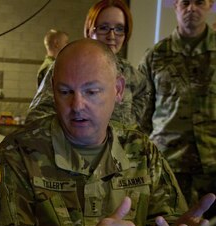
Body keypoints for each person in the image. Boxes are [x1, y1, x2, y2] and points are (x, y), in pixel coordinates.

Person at [0, 38, 216, 226]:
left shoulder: (142, 152)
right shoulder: (17, 153)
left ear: (118, 90)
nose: (77, 105)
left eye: (91, 91)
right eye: (65, 92)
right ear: (52, 89)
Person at [138, 0, 216, 226]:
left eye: (199, 2)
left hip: (213, 169)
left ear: (210, 4)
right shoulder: (155, 55)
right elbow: (141, 116)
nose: (191, 8)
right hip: (168, 169)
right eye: (185, 2)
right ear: (175, 5)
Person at [27, 0, 151, 131]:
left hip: (119, 150)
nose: (112, 36)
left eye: (119, 29)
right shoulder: (68, 65)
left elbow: (145, 103)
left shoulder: (131, 74)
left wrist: (128, 131)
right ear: (89, 31)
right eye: (104, 28)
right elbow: (36, 119)